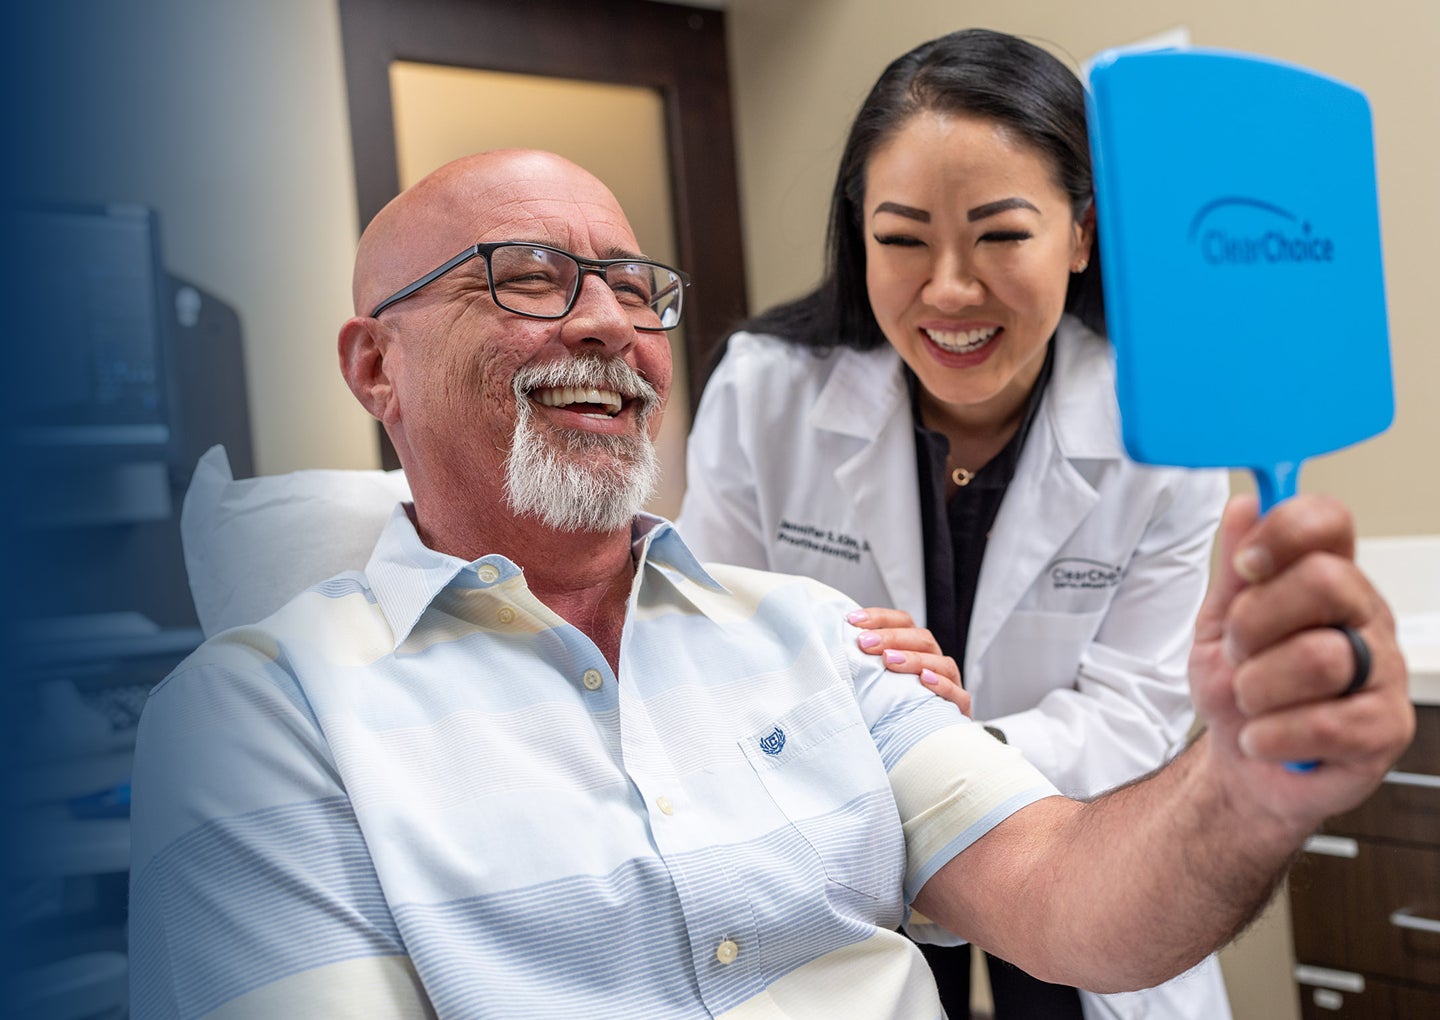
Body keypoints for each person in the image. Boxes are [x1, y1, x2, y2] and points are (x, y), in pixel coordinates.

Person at [128, 148, 1413, 1020]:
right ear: (373, 368)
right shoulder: (261, 718)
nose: (604, 324)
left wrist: (1242, 780)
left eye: (635, 290)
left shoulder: (813, 635)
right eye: (529, 277)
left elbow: (1073, 897)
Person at [676, 28, 1228, 1017]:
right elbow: (711, 667)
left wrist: (927, 738)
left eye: (1002, 235)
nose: (948, 291)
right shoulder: (766, 395)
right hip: (838, 861)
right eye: (901, 239)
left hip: (1071, 844)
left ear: (1084, 233)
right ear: (859, 232)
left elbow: (1135, 716)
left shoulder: (1167, 427)